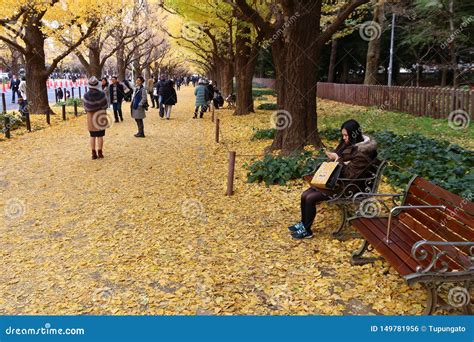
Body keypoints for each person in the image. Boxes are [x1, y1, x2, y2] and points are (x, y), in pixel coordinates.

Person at [289, 120, 378, 239]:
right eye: (343, 135)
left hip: (349, 187)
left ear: (354, 135)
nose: (344, 138)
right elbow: (342, 163)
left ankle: (307, 231)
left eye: (346, 135)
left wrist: (338, 159)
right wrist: (336, 158)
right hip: (338, 181)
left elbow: (350, 175)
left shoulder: (363, 153)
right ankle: (303, 225)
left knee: (310, 198)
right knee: (305, 194)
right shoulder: (349, 145)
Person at [83, 76, 109, 160]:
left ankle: (93, 153)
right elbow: (105, 105)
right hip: (100, 115)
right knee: (100, 135)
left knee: (92, 136)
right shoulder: (102, 94)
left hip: (91, 116)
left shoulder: (86, 95)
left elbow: (85, 107)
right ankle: (100, 152)